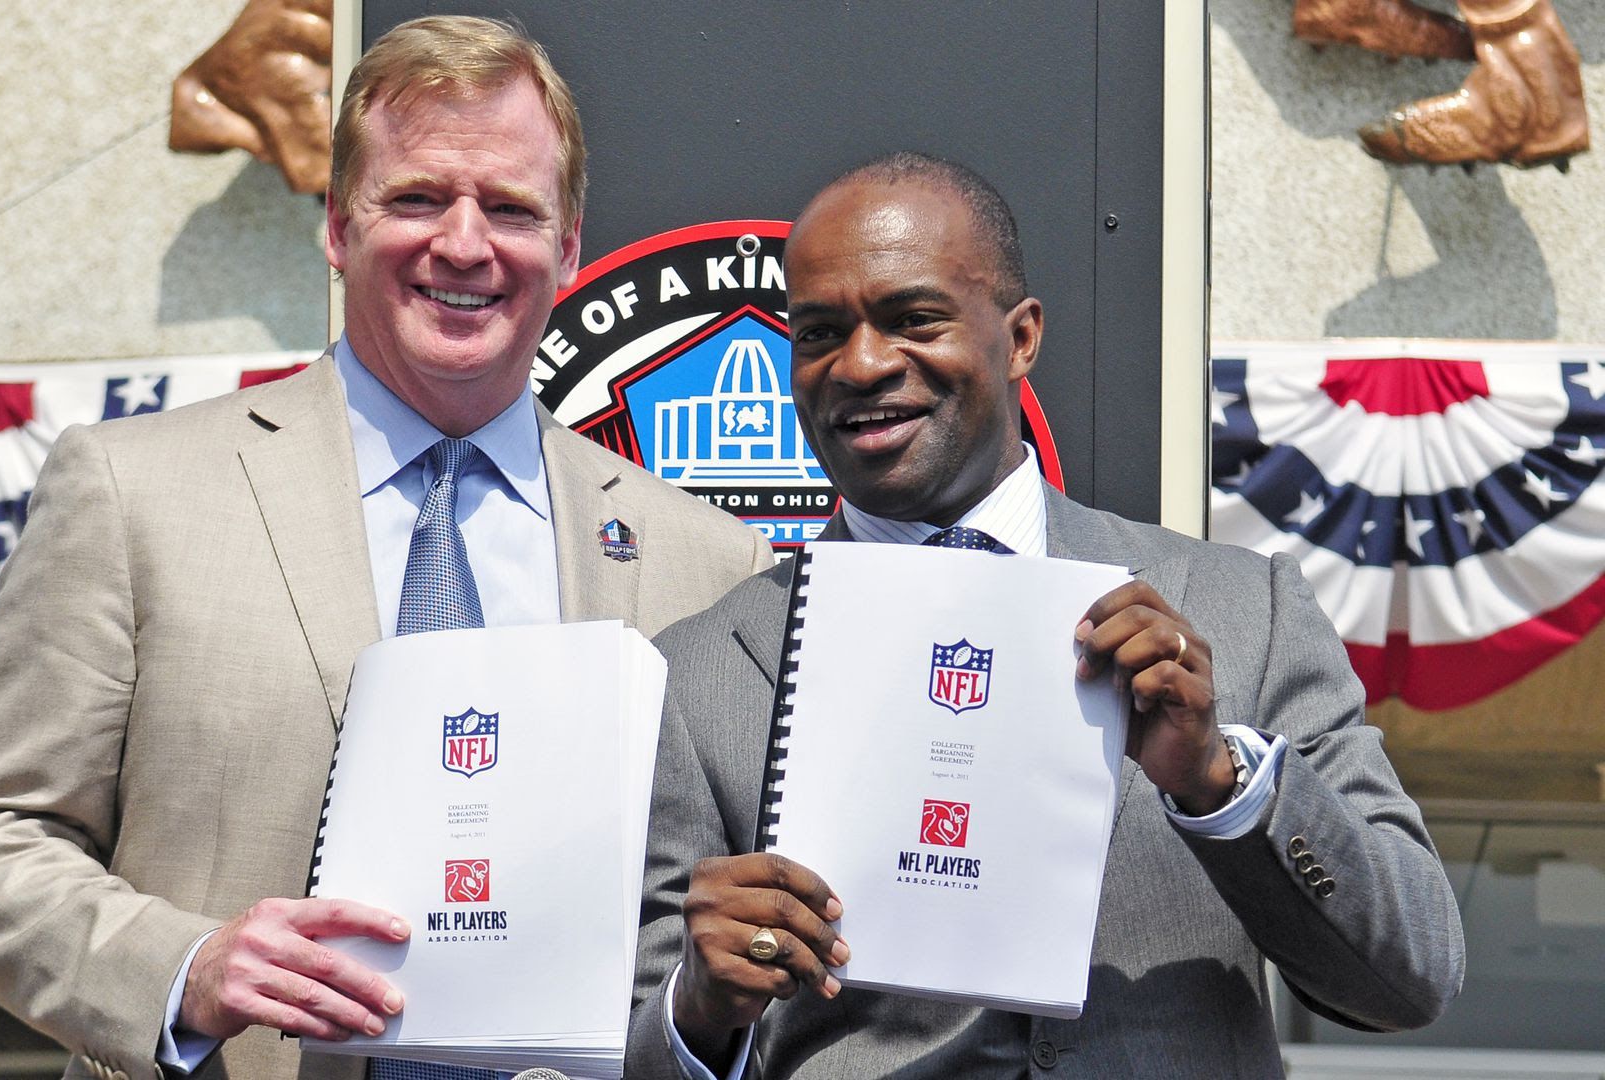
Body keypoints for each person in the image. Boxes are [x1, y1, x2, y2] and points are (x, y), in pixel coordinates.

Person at [0, 16, 772, 1080]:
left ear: (571, 246)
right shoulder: (132, 494)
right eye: (416, 198)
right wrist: (185, 968)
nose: (464, 244)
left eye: (511, 208)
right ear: (336, 227)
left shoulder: (707, 560)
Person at [626, 152, 1464, 1080]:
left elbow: (1410, 975)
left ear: (1021, 338)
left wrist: (1223, 784)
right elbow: (637, 1047)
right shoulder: (699, 673)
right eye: (820, 333)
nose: (860, 365)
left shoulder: (1243, 608)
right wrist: (699, 1012)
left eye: (913, 319)